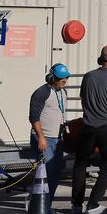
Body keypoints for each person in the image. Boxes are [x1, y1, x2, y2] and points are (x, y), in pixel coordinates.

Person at [71, 45, 107, 214]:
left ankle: (76, 205)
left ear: (101, 58)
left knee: (80, 165)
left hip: (87, 127)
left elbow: (83, 100)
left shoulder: (88, 77)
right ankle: (93, 204)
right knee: (106, 168)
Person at [29, 63, 71, 201]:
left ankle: (47, 202)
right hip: (44, 138)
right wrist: (41, 137)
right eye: (61, 78)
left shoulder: (62, 92)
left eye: (66, 77)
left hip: (57, 138)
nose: (64, 80)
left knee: (56, 172)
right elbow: (33, 117)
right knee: (47, 171)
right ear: (51, 77)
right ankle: (36, 201)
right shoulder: (42, 92)